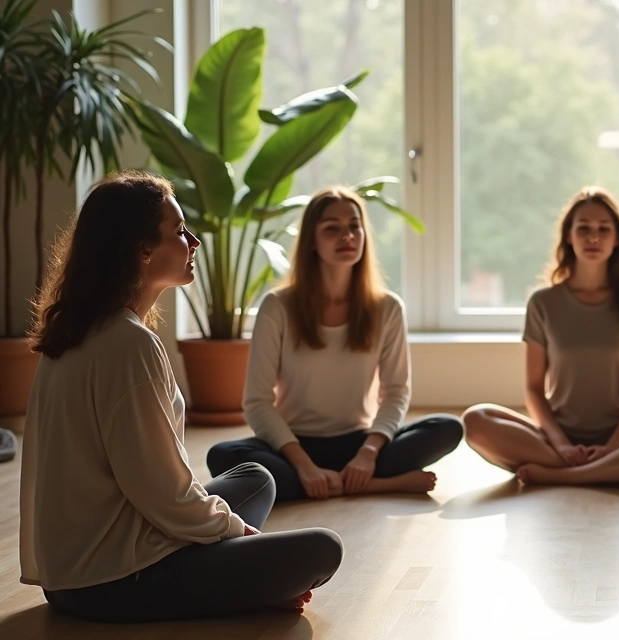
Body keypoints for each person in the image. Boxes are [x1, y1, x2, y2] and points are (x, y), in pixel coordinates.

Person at [20, 172, 342, 623]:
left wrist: (223, 531)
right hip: (111, 581)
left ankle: (240, 578)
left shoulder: (76, 332)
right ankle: (243, 586)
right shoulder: (127, 344)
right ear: (143, 250)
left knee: (256, 477)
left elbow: (152, 488)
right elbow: (162, 494)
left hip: (74, 570)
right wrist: (242, 536)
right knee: (322, 549)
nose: (193, 241)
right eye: (179, 232)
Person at [207, 187, 463, 503]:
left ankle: (340, 482)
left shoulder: (387, 308)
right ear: (312, 241)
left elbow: (396, 391)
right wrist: (303, 464)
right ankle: (371, 484)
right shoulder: (278, 306)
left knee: (448, 427)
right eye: (332, 228)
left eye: (354, 226)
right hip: (293, 445)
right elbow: (257, 402)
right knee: (222, 455)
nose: (347, 236)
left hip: (360, 443)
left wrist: (369, 452)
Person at [462, 187, 619, 487]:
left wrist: (613, 446)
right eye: (583, 228)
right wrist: (561, 445)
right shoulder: (542, 303)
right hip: (556, 436)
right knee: (476, 421)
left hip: (618, 437)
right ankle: (614, 472)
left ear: (617, 239)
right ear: (568, 236)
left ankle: (564, 476)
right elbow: (533, 389)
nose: (593, 237)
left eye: (603, 229)